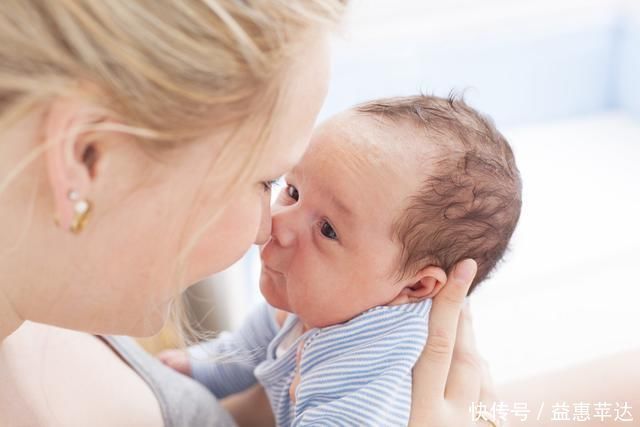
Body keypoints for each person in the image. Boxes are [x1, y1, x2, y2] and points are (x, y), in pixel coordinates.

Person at [0, 2, 498, 427]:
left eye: (327, 228)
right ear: (86, 157)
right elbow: (252, 344)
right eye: (275, 185)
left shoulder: (57, 291)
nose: (270, 226)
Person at [158, 95, 521, 425]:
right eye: (293, 191)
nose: (277, 224)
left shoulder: (370, 366)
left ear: (416, 285)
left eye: (328, 230)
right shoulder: (331, 301)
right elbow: (254, 342)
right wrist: (199, 367)